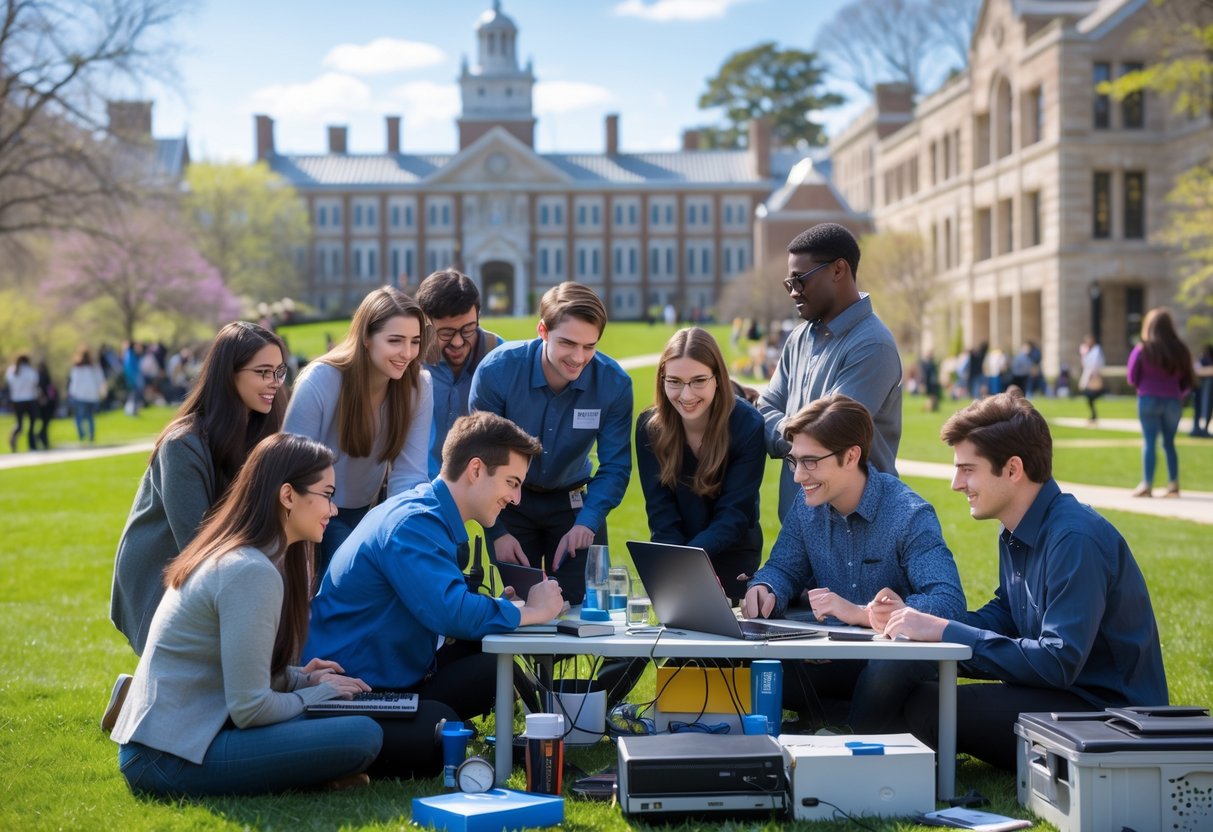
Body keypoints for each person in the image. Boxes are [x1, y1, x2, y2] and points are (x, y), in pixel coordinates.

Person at [885, 391, 1168, 771]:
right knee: (918, 691)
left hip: (1110, 719)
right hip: (1065, 697)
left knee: (928, 706)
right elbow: (1007, 613)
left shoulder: (1075, 538)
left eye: (968, 469)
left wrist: (943, 634)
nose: (956, 483)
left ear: (1013, 469)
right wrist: (919, 626)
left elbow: (1057, 660)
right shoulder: (1018, 528)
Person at [109, 433, 383, 797]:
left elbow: (233, 675)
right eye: (327, 495)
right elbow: (250, 708)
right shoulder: (250, 570)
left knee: (343, 722)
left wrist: (303, 680)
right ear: (287, 496)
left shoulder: (247, 557)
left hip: (181, 739)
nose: (333, 510)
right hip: (167, 759)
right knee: (362, 735)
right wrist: (318, 695)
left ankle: (319, 771)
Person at [303, 412, 565, 769]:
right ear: (475, 470)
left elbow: (445, 604)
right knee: (438, 736)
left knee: (492, 670)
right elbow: (450, 612)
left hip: (388, 671)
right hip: (349, 690)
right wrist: (534, 612)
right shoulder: (415, 523)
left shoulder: (427, 511)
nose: (515, 498)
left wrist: (498, 607)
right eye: (511, 482)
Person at [742, 394, 965, 731]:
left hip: (892, 660)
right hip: (833, 658)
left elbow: (950, 603)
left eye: (811, 462)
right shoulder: (807, 509)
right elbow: (783, 567)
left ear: (851, 455)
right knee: (749, 664)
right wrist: (766, 586)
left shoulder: (908, 514)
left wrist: (863, 614)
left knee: (886, 667)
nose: (798, 476)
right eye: (794, 461)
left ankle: (841, 737)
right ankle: (841, 719)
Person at [111, 321, 289, 656]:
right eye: (262, 372)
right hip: (162, 574)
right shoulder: (182, 444)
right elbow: (196, 545)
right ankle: (138, 693)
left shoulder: (263, 430)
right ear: (229, 374)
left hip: (223, 564)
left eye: (279, 372)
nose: (274, 384)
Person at [468, 281, 632, 604]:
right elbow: (479, 457)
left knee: (584, 606)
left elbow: (615, 466)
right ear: (542, 330)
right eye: (568, 343)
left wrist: (588, 522)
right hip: (509, 501)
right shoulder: (497, 372)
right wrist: (496, 531)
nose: (579, 357)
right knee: (520, 608)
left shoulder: (614, 385)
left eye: (590, 346)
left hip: (573, 503)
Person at [756, 223, 902, 519]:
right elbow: (765, 407)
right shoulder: (798, 339)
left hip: (857, 531)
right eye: (789, 283)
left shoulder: (873, 346)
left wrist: (782, 428)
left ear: (838, 270)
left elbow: (825, 438)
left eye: (800, 280)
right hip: (799, 527)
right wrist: (791, 429)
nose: (793, 292)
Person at [284, 286, 432, 577]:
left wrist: (398, 530)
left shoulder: (418, 385)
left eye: (415, 341)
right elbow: (289, 466)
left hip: (370, 511)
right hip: (313, 509)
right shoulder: (321, 379)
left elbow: (410, 473)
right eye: (395, 341)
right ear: (366, 338)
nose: (407, 353)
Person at [636, 327, 765, 602]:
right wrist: (679, 564)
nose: (686, 395)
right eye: (675, 381)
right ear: (662, 380)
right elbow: (661, 514)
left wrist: (688, 563)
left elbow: (734, 515)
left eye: (698, 381)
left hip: (733, 554)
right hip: (675, 554)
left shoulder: (747, 425)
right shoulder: (650, 428)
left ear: (717, 379)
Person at [416, 269, 502, 478]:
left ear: (478, 316)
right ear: (424, 322)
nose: (457, 342)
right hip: (418, 485)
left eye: (468, 329)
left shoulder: (500, 358)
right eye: (445, 332)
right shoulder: (408, 359)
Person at [1128, 308, 1194, 498]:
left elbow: (1132, 377)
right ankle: (1173, 484)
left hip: (1148, 398)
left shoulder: (1143, 349)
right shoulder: (1180, 349)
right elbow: (1188, 379)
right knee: (1169, 443)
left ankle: (1147, 484)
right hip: (1173, 400)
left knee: (1149, 441)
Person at [68, 347, 107, 443]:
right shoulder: (94, 368)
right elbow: (100, 380)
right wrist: (101, 392)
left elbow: (74, 383)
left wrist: (72, 394)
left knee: (79, 417)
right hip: (92, 396)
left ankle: (82, 433)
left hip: (80, 396)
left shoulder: (77, 368)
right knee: (90, 416)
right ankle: (91, 435)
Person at [6, 353, 40, 452]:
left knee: (19, 424)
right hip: (30, 399)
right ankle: (32, 445)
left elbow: (9, 384)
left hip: (16, 400)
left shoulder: (12, 371)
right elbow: (35, 383)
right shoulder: (30, 371)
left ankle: (13, 439)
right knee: (32, 423)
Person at [1078, 334, 1105, 422]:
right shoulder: (1086, 350)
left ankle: (1093, 415)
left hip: (1093, 375)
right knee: (1088, 396)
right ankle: (1093, 415)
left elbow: (1096, 363)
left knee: (1091, 394)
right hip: (1088, 375)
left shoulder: (1096, 350)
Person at [34, 360, 58, 450]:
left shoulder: (41, 376)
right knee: (45, 423)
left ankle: (43, 437)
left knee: (45, 423)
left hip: (46, 402)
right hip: (45, 402)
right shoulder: (40, 377)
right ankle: (43, 438)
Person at [1192, 344, 1213, 438]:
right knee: (1198, 409)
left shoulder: (1208, 360)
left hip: (1208, 391)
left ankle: (1204, 429)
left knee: (1207, 409)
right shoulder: (1202, 360)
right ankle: (1196, 429)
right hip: (1199, 390)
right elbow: (1197, 370)